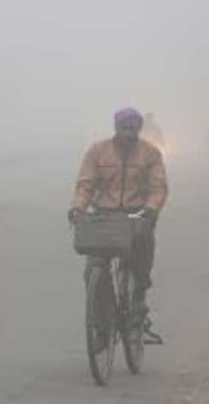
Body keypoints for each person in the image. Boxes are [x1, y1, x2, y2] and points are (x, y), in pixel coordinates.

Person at [69, 107, 169, 318]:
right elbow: (85, 183)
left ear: (140, 128)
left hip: (136, 214)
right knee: (93, 268)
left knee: (142, 250)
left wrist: (151, 208)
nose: (128, 131)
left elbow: (158, 187)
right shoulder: (98, 151)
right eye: (124, 127)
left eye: (133, 127)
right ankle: (100, 315)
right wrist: (78, 207)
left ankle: (139, 296)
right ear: (116, 127)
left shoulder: (150, 152)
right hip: (104, 216)